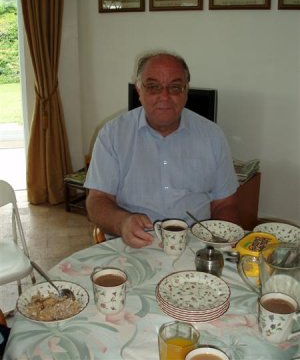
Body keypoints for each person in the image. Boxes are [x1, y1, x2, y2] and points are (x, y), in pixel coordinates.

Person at [85, 51, 240, 248]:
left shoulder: (212, 136)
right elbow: (97, 201)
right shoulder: (112, 135)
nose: (164, 96)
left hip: (195, 246)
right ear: (139, 90)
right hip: (132, 245)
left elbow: (226, 204)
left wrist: (216, 244)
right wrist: (121, 221)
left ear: (186, 91)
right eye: (153, 87)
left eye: (175, 87)